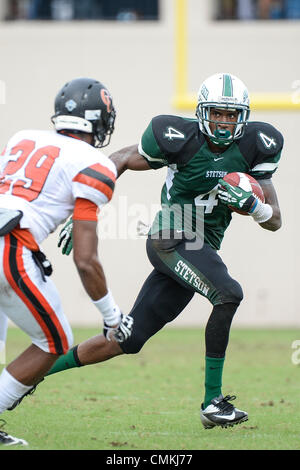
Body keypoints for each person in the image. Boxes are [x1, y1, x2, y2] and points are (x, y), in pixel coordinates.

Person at [11, 72, 283, 429]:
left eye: (231, 115)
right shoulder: (176, 137)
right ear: (203, 111)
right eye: (217, 112)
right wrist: (81, 207)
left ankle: (28, 377)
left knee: (128, 339)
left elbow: (275, 220)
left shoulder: (259, 144)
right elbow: (122, 157)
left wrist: (255, 206)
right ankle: (212, 403)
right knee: (229, 294)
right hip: (171, 236)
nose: (223, 121)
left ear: (242, 117)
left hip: (201, 249)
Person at [0, 77, 133, 445]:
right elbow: (86, 259)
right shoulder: (94, 163)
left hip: (8, 232)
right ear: (101, 121)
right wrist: (111, 316)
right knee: (54, 341)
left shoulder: (22, 138)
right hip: (11, 246)